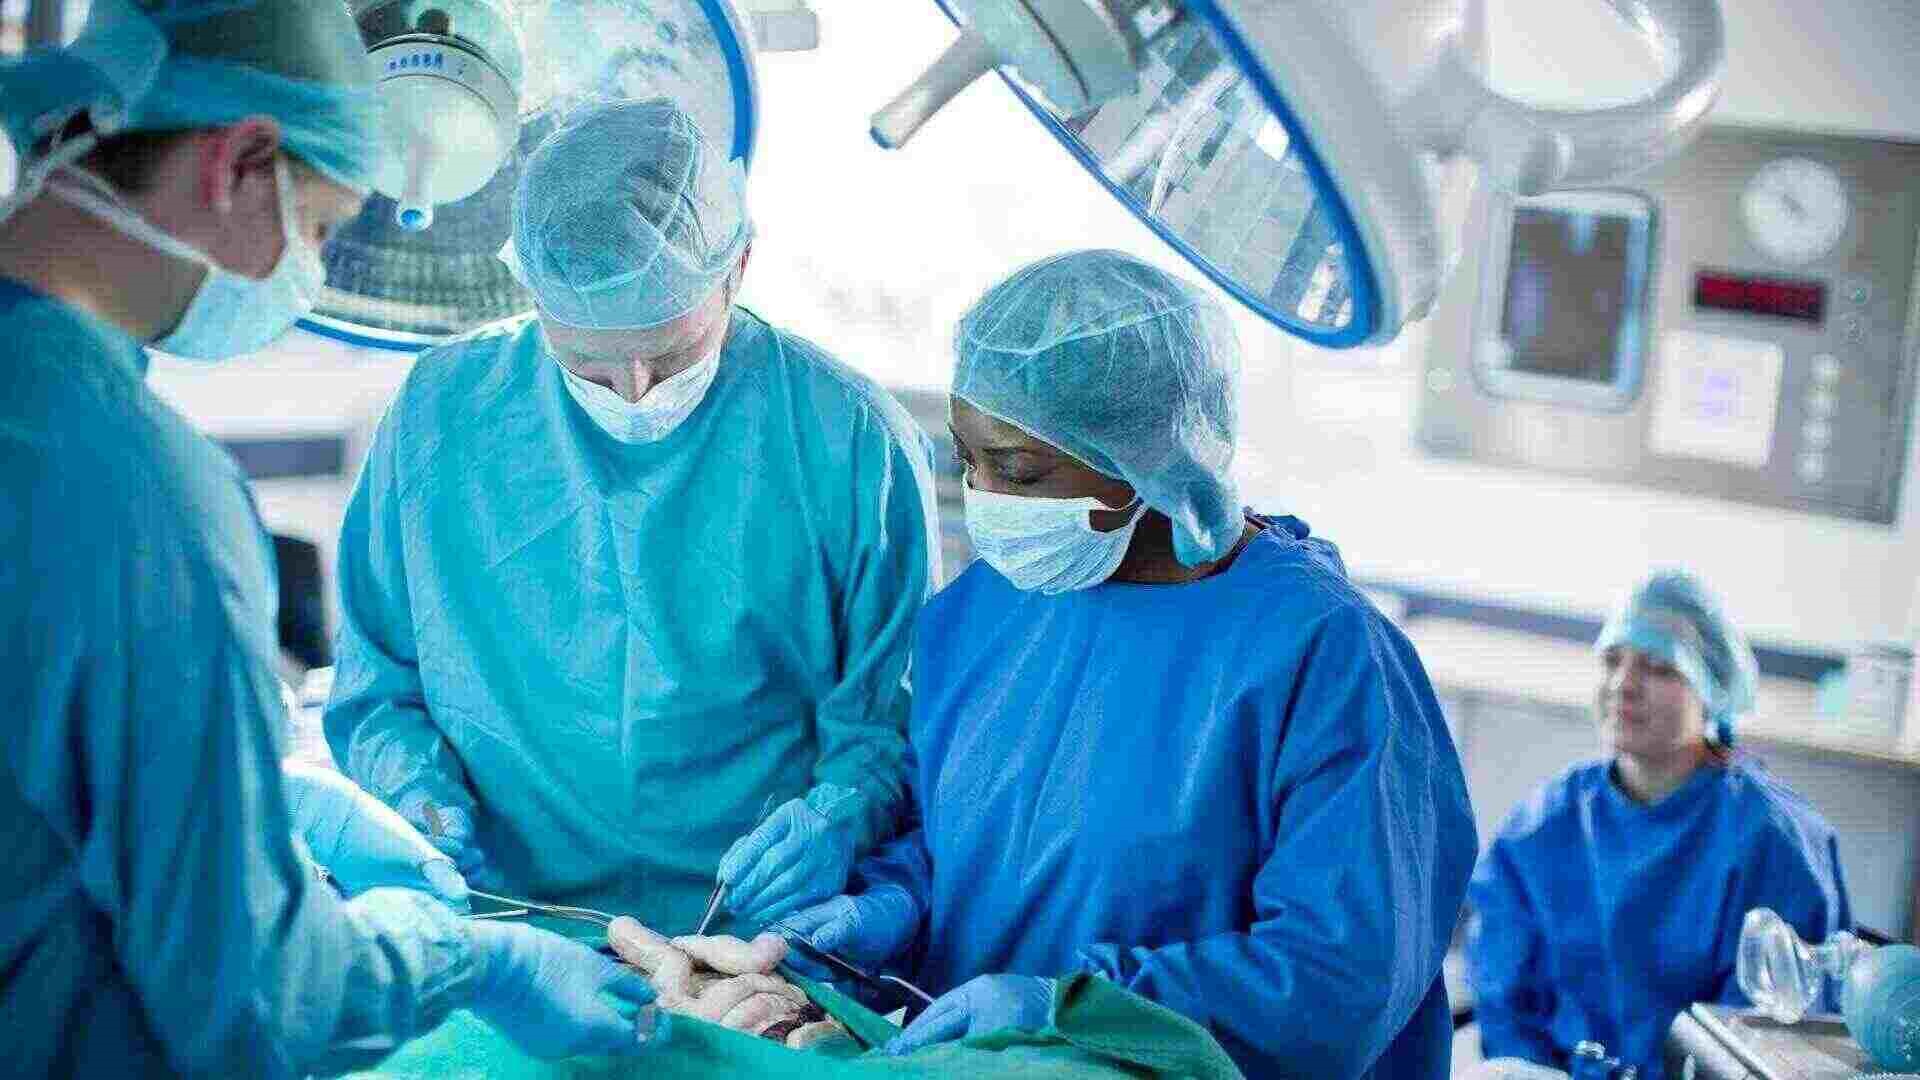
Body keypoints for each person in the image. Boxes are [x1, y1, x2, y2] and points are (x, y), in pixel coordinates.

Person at [0, 2, 659, 1073]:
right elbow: (261, 1000)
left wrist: (267, 780)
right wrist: (475, 960)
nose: (308, 269)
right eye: (316, 226)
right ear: (243, 159)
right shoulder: (131, 483)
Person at [767, 249, 1478, 1078]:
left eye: (1018, 470)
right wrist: (886, 908)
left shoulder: (1320, 657)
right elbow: (954, 845)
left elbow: (1339, 976)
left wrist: (1074, 1006)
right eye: (967, 458)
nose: (983, 494)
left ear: (1149, 460)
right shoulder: (987, 611)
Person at [323, 97, 939, 936]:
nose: (637, 390)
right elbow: (378, 684)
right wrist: (418, 794)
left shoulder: (848, 436)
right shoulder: (441, 412)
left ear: (739, 265)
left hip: (748, 935)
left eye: (674, 351)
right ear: (531, 294)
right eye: (589, 360)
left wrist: (838, 816)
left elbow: (885, 717)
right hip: (505, 918)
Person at [1465, 570, 1852, 1079]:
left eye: (1659, 668)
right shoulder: (1547, 823)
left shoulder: (1773, 841)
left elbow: (1773, 1037)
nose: (1625, 684)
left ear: (1711, 689)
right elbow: (1502, 993)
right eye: (1613, 660)